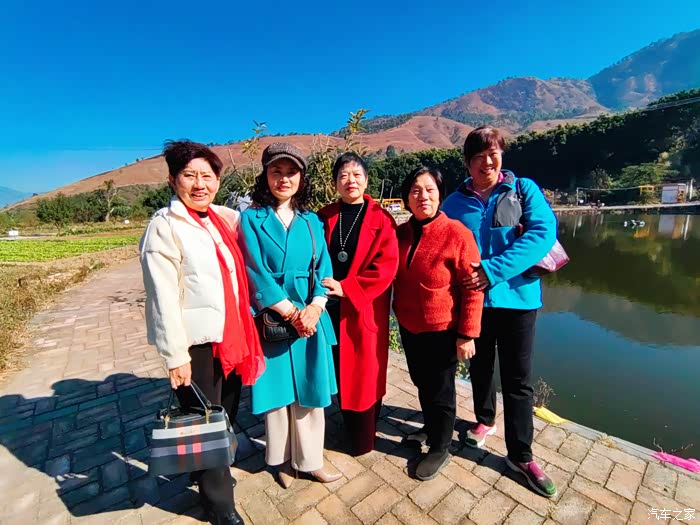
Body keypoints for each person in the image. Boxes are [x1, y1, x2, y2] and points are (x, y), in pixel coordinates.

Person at [140, 140, 265, 525]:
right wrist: (174, 356)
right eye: (189, 176)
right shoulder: (164, 226)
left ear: (217, 181)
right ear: (173, 180)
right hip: (196, 343)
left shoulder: (221, 219)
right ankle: (219, 504)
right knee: (205, 421)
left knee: (223, 413)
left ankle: (204, 471)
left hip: (231, 335)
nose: (200, 184)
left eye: (207, 176)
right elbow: (162, 297)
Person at [442, 125, 558, 498]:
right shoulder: (454, 202)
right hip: (472, 303)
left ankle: (521, 455)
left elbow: (541, 234)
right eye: (478, 157)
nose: (487, 163)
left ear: (502, 155)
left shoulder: (523, 189)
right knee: (479, 367)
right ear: (467, 163)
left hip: (519, 301)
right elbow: (440, 242)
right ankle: (484, 420)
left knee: (517, 380)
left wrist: (491, 270)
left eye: (493, 154)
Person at [238, 142, 341, 489]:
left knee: (311, 390)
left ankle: (311, 461)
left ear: (301, 177)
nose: (284, 179)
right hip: (274, 318)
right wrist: (292, 313)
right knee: (278, 394)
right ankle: (281, 461)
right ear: (265, 176)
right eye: (276, 171)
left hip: (311, 320)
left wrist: (315, 306)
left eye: (291, 172)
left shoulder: (312, 221)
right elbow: (255, 271)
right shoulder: (251, 219)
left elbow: (323, 268)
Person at [393, 166, 484, 481]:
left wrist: (467, 333)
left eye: (430, 190)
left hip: (442, 329)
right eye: (416, 190)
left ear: (440, 194)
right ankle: (431, 428)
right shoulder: (401, 233)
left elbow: (473, 288)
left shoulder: (457, 234)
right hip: (409, 325)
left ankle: (441, 446)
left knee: (441, 390)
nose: (423, 196)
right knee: (421, 381)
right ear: (407, 198)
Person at [318, 152, 399, 456]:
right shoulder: (325, 216)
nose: (350, 180)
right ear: (334, 183)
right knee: (340, 371)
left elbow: (386, 267)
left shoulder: (381, 219)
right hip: (328, 308)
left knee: (364, 374)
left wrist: (348, 288)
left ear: (366, 180)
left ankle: (363, 439)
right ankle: (344, 425)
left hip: (364, 307)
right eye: (343, 175)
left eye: (356, 174)